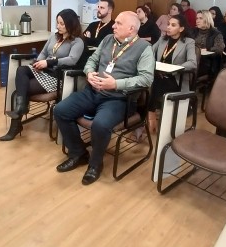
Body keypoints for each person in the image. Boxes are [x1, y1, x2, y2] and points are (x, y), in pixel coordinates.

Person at [54, 11, 155, 185]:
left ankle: (95, 164)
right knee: (60, 110)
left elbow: (146, 79)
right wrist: (89, 72)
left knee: (100, 125)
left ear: (131, 29)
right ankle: (78, 153)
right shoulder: (108, 39)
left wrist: (116, 84)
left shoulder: (144, 48)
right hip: (93, 91)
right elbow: (92, 60)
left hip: (119, 98)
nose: (113, 26)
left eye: (118, 23)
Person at [0, 9, 85, 141]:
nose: (58, 26)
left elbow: (72, 60)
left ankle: (16, 124)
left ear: (71, 24)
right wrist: (38, 63)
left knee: (23, 88)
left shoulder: (77, 42)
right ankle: (21, 108)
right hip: (44, 70)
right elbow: (44, 52)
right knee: (21, 70)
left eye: (62, 24)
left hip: (57, 76)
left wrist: (49, 62)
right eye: (57, 23)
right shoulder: (54, 37)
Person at [147, 15, 197, 134]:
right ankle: (150, 117)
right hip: (158, 76)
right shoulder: (162, 39)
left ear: (181, 29)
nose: (168, 27)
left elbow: (192, 63)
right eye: (168, 24)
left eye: (173, 25)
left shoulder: (188, 42)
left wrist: (175, 69)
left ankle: (153, 116)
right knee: (147, 84)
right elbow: (149, 52)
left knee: (155, 86)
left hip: (175, 78)